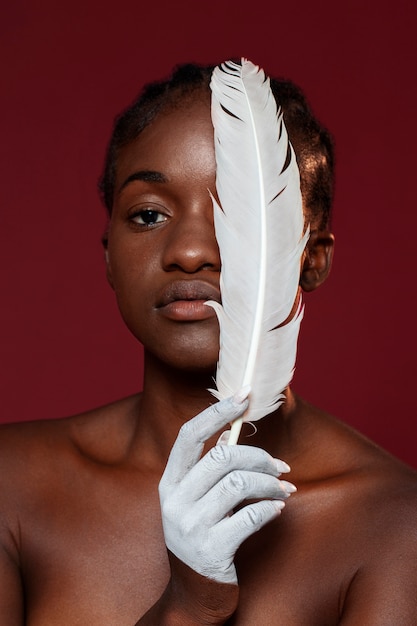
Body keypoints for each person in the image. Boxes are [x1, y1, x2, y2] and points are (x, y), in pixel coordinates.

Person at [1, 61, 416, 626]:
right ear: (108, 257)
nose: (191, 251)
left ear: (310, 258)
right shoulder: (13, 485)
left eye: (237, 216)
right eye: (149, 215)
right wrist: (188, 607)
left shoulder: (395, 524)